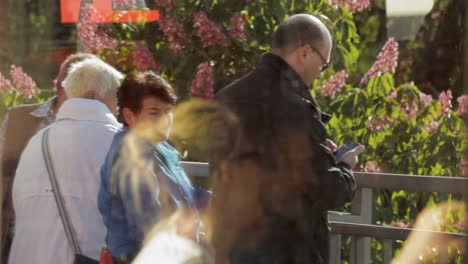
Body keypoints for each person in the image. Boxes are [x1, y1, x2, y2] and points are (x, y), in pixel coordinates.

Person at [216, 14, 365, 263]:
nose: (321, 72)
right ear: (305, 52)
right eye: (324, 63)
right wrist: (345, 166)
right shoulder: (295, 107)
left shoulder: (226, 98)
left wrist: (317, 149)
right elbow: (324, 189)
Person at [8, 58, 123, 263]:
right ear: (92, 96)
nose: (119, 107)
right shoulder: (117, 141)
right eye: (116, 97)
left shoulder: (37, 140)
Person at [98, 71, 202, 263]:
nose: (165, 119)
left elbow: (189, 194)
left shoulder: (159, 147)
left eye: (168, 110)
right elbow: (148, 224)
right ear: (129, 116)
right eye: (154, 112)